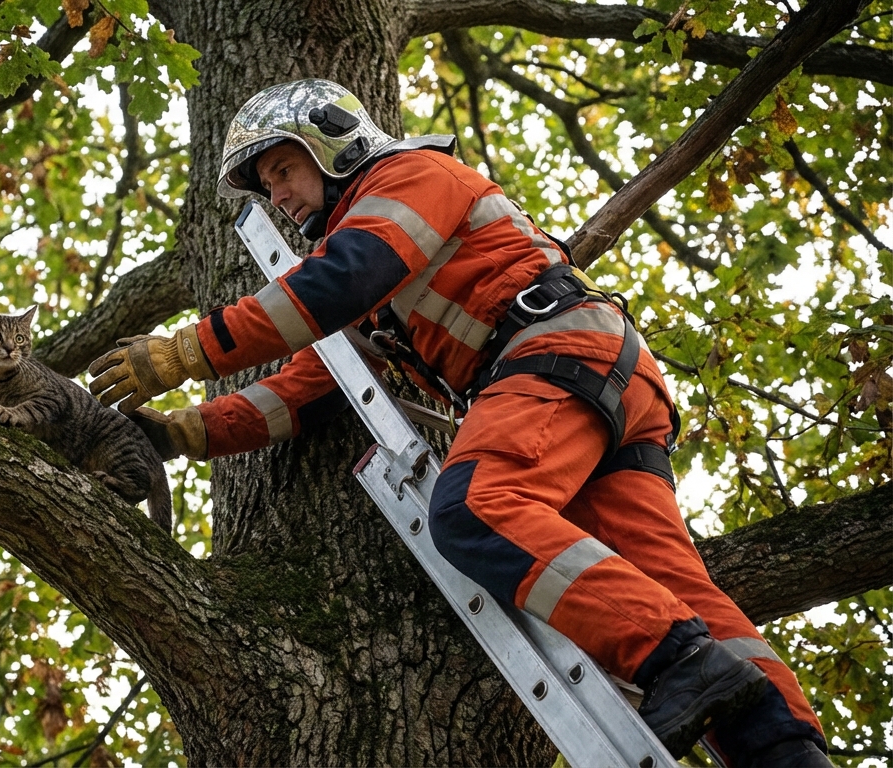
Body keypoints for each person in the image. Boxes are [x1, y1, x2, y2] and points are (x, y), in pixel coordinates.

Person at [87, 79, 831, 767]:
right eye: (268, 185)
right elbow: (310, 387)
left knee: (476, 507)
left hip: (553, 353)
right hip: (601, 381)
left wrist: (187, 350)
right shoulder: (382, 284)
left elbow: (339, 277)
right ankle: (784, 750)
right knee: (674, 583)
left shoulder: (409, 180)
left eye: (281, 169)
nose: (277, 194)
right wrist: (183, 432)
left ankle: (675, 658)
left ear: (331, 139)